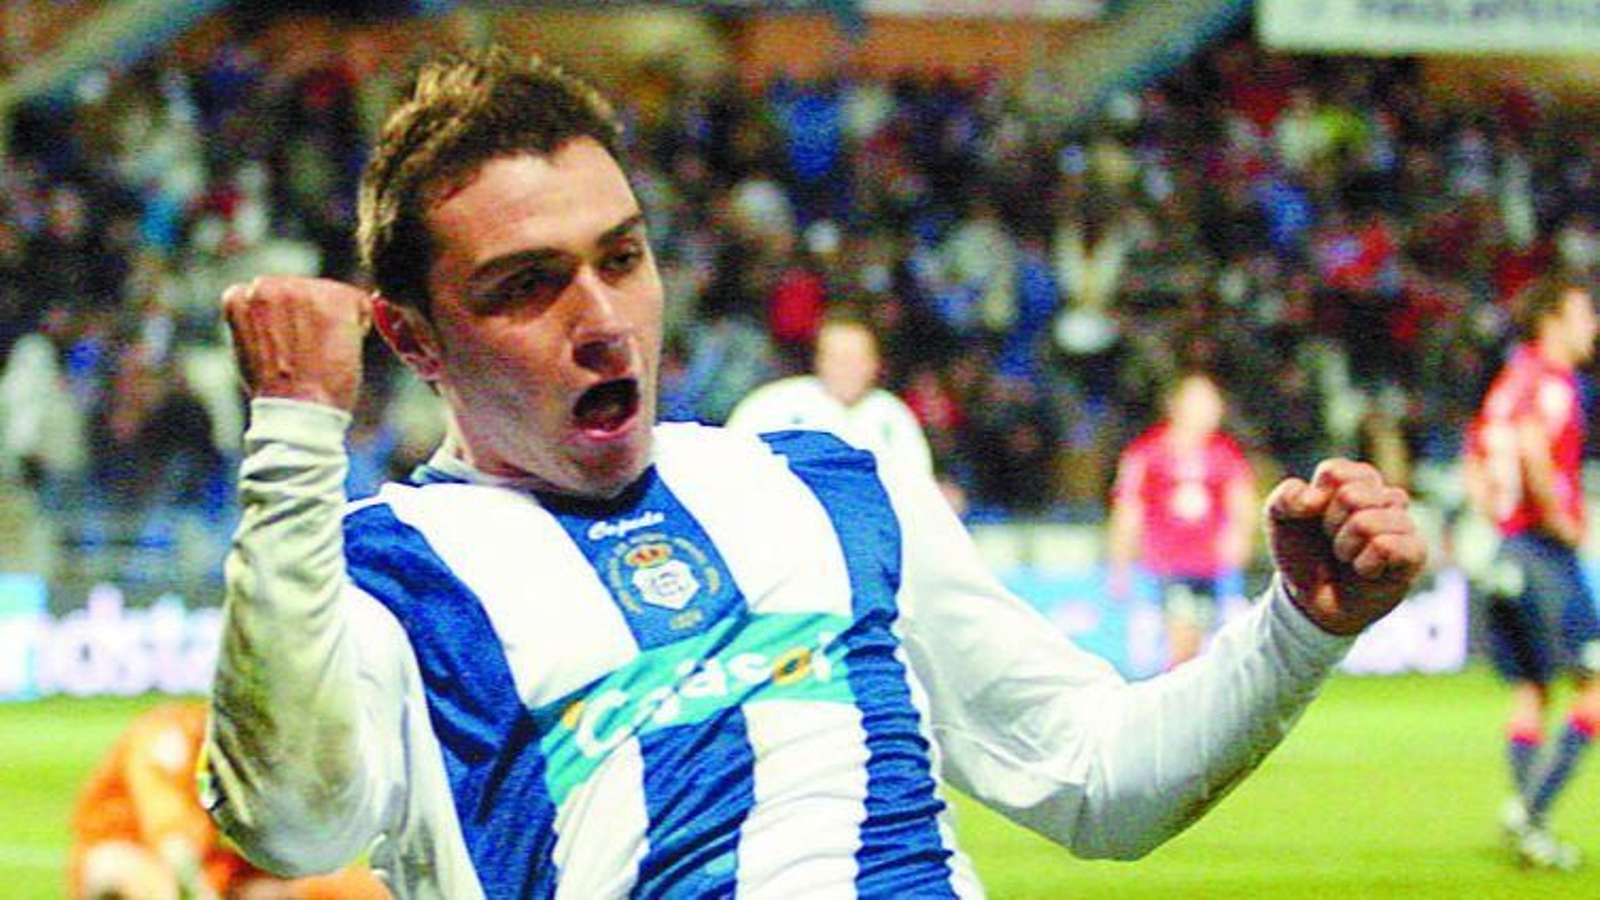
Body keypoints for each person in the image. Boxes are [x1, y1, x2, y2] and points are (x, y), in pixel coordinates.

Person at [202, 47, 1426, 898]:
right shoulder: (385, 573)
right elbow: (289, 821)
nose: (601, 319)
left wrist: (1297, 630)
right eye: (526, 285)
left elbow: (1094, 777)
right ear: (411, 338)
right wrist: (296, 439)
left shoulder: (830, 485)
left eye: (620, 258)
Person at [1463, 274, 1600, 871]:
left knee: (1533, 689)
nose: (1592, 326)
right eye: (1584, 315)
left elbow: (1475, 456)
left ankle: (1525, 815)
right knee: (1595, 684)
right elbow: (1531, 447)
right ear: (1553, 321)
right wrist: (1559, 517)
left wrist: (1493, 516)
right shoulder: (1550, 382)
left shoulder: (1506, 383)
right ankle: (1532, 813)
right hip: (1543, 551)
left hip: (1506, 550)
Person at [69, 701, 387, 899]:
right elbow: (171, 837)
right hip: (129, 847)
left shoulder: (266, 764)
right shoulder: (168, 736)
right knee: (139, 878)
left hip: (213, 865)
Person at [1107, 372, 1257, 668]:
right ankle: (1179, 703)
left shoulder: (1224, 453)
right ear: (1176, 406)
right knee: (1183, 644)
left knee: (1201, 647)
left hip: (1210, 567)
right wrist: (1119, 565)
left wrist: (1239, 538)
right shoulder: (1147, 453)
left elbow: (1242, 503)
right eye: (1200, 401)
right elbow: (1128, 510)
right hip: (1167, 564)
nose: (1209, 409)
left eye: (1213, 402)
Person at [727, 313, 934, 477]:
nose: (846, 368)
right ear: (818, 361)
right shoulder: (771, 404)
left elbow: (917, 486)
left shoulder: (893, 416)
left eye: (856, 358)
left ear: (876, 363)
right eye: (836, 357)